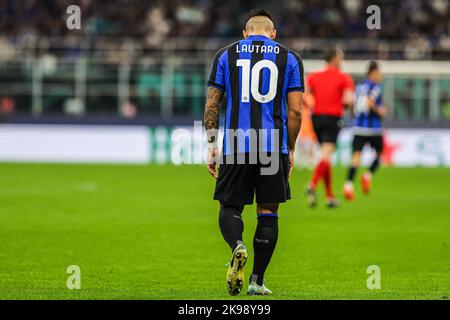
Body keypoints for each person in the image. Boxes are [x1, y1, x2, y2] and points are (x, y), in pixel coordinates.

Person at [203, 9, 304, 296]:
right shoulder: (290, 58)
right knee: (268, 212)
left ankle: (237, 246)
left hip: (237, 143)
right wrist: (291, 149)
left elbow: (213, 105)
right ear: (273, 33)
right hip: (274, 147)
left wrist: (212, 145)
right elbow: (296, 110)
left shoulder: (226, 54)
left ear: (245, 33)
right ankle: (257, 281)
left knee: (229, 206)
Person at [304, 49, 354, 208]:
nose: (342, 61)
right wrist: (350, 110)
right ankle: (312, 184)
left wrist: (312, 104)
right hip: (333, 118)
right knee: (326, 156)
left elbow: (304, 94)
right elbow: (349, 100)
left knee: (325, 157)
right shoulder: (344, 78)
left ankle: (330, 197)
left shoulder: (314, 76)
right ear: (334, 59)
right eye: (340, 58)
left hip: (317, 118)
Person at [343, 61, 387, 200]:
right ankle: (368, 175)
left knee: (356, 157)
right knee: (379, 155)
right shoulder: (376, 88)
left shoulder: (359, 86)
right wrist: (379, 111)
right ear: (373, 73)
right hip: (373, 129)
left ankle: (348, 185)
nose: (380, 76)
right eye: (379, 73)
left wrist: (353, 114)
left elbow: (351, 103)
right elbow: (371, 104)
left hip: (358, 128)